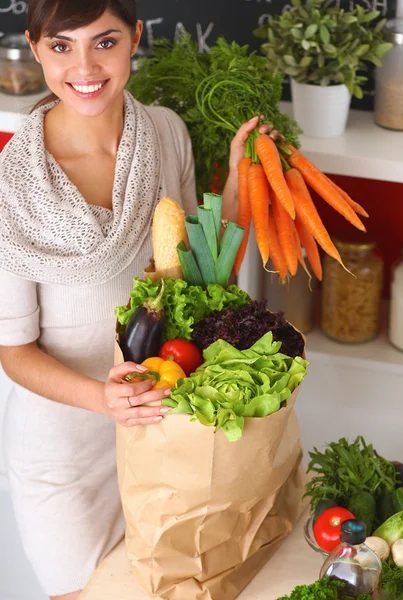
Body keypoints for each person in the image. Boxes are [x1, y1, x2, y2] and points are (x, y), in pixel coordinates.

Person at [0, 1, 278, 598]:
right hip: (65, 449)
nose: (84, 67)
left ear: (135, 40)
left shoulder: (163, 133)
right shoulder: (10, 188)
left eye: (104, 42)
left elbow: (196, 286)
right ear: (34, 47)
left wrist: (236, 177)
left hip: (162, 422)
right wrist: (103, 401)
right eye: (61, 46)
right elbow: (14, 353)